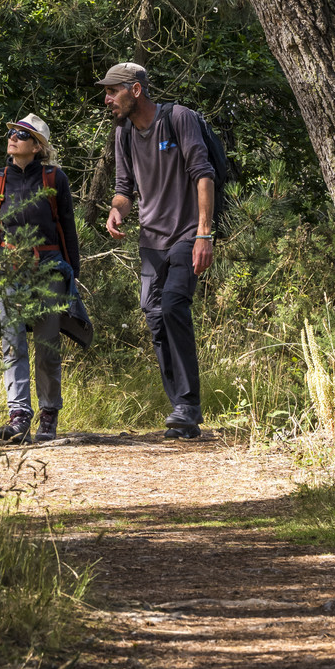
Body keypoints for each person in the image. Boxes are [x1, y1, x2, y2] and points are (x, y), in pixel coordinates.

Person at [101, 61, 214, 437]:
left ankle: (188, 404)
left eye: (112, 91)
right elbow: (124, 188)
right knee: (153, 315)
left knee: (173, 305)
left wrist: (204, 235)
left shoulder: (178, 118)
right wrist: (117, 212)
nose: (107, 100)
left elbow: (203, 174)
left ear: (135, 89)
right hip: (150, 242)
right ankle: (181, 409)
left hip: (186, 235)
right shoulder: (124, 135)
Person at [0, 113, 80, 443]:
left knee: (48, 345)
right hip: (9, 272)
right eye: (13, 132)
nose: (13, 138)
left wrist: (72, 281)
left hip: (50, 270)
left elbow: (68, 231)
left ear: (37, 147)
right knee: (12, 345)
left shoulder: (55, 179)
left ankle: (49, 414)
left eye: (22, 135)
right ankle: (19, 416)